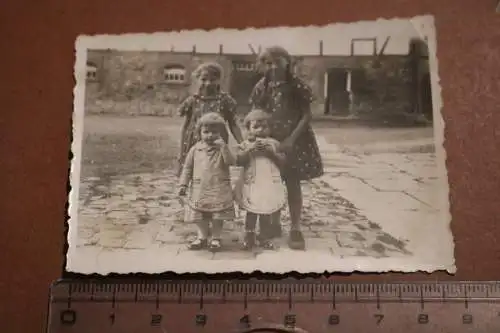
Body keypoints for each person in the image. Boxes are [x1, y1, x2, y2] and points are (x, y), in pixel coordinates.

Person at [249, 46, 324, 250]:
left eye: (277, 62)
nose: (273, 66)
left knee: (292, 183)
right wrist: (255, 133)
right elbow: (256, 112)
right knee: (271, 181)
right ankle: (273, 223)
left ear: (287, 62)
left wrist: (291, 139)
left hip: (295, 141)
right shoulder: (261, 87)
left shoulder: (296, 86)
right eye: (268, 63)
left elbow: (306, 115)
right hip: (270, 140)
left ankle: (295, 227)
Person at [177, 112, 236, 251]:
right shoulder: (195, 149)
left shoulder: (223, 149)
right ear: (199, 133)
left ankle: (216, 238)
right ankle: (202, 237)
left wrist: (224, 148)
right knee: (199, 215)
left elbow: (230, 162)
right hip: (200, 187)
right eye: (206, 132)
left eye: (214, 132)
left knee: (217, 215)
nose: (210, 135)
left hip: (218, 186)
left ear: (221, 133)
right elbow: (187, 168)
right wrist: (183, 184)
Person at [177, 62, 243, 177]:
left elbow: (233, 124)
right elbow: (186, 126)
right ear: (197, 79)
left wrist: (242, 143)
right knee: (194, 172)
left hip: (217, 143)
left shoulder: (225, 100)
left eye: (212, 80)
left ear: (219, 80)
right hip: (195, 142)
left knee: (215, 173)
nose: (208, 83)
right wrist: (182, 150)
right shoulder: (192, 100)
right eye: (203, 79)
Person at [234, 109, 287, 250]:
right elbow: (238, 160)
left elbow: (283, 161)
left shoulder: (274, 143)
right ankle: (249, 235)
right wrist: (250, 150)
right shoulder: (246, 144)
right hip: (252, 183)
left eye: (265, 126)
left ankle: (264, 236)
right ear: (248, 129)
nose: (261, 130)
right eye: (256, 127)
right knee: (252, 209)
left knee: (266, 210)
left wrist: (271, 153)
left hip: (268, 183)